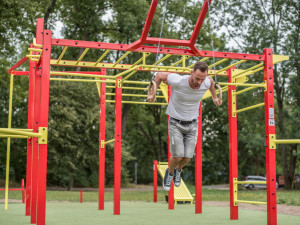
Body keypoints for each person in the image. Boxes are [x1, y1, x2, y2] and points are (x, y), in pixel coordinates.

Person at [147, 61, 222, 191]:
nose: (199, 82)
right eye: (197, 78)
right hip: (176, 123)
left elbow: (211, 84)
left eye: (201, 79)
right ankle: (169, 173)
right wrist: (152, 93)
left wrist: (215, 97)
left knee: (187, 157)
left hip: (192, 124)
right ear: (191, 72)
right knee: (178, 156)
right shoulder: (178, 80)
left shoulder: (206, 81)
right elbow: (158, 76)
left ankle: (178, 171)